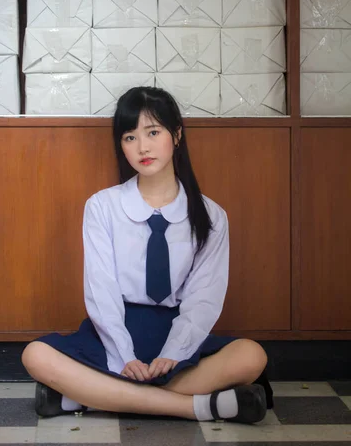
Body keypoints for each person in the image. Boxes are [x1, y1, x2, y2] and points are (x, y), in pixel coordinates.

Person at [22, 86, 273, 424]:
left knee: (251, 356)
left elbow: (204, 297)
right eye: (129, 137)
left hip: (178, 330)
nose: (142, 147)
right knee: (35, 355)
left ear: (177, 135)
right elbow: (101, 288)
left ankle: (86, 397)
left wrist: (174, 352)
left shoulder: (211, 216)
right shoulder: (102, 207)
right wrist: (124, 354)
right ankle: (198, 407)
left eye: (153, 132)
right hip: (116, 328)